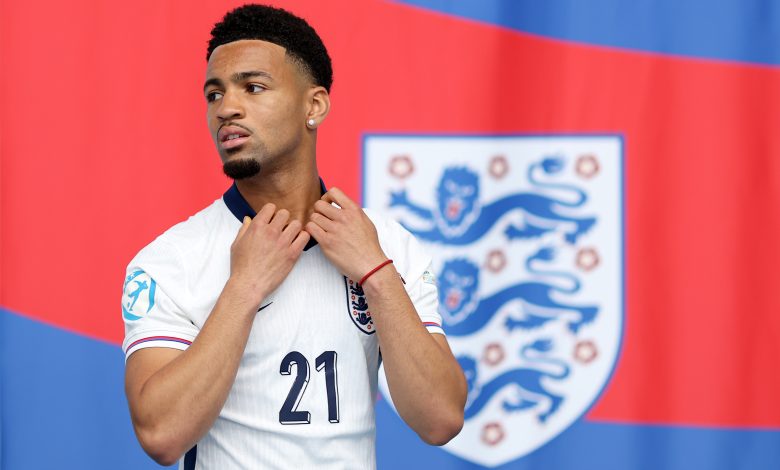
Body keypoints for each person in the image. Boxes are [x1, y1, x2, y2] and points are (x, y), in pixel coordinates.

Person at [121, 4, 467, 469]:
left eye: (253, 87)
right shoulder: (171, 259)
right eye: (213, 94)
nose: (227, 108)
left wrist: (377, 275)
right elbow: (161, 435)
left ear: (314, 105)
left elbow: (440, 419)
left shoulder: (388, 245)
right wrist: (244, 287)